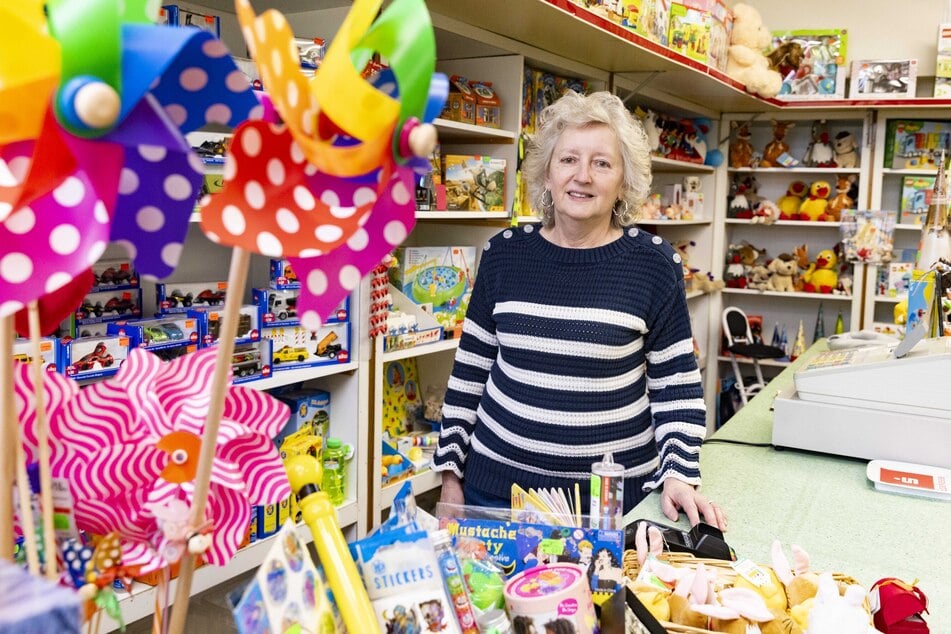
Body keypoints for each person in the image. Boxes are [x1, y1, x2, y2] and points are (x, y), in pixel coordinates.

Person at [431, 90, 725, 531]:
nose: (582, 176)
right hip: (494, 492)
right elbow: (470, 374)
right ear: (547, 174)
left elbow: (677, 389)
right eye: (568, 159)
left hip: (607, 502)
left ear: (624, 181)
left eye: (602, 163)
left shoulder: (655, 265)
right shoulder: (503, 255)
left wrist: (679, 475)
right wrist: (451, 476)